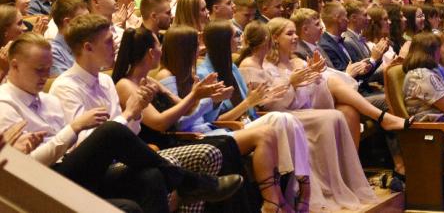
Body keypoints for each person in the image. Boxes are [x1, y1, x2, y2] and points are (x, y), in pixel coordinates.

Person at [0, 32, 243, 211]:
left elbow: (87, 146)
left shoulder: (50, 100)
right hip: (41, 181)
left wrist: (134, 113)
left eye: (48, 68)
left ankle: (187, 181)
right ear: (14, 65)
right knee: (110, 131)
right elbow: (24, 168)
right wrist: (74, 128)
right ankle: (189, 181)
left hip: (78, 168)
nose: (45, 76)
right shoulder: (5, 104)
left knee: (150, 177)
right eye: (39, 70)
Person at [238, 19, 379, 211]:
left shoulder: (294, 60)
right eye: (289, 33)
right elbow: (268, 103)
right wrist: (292, 83)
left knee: (337, 115)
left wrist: (314, 78)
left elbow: (306, 99)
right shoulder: (256, 65)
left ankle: (336, 183)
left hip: (295, 110)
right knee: (330, 117)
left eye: (295, 33)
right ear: (273, 38)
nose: (295, 37)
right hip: (278, 115)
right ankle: (318, 188)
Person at [156, 26, 291, 212]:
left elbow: (205, 116)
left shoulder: (190, 73)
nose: (199, 49)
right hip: (190, 138)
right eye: (195, 45)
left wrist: (214, 101)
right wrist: (207, 100)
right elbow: (179, 122)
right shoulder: (166, 76)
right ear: (184, 48)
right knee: (265, 134)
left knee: (273, 129)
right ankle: (272, 202)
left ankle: (278, 199)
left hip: (207, 130)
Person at [197, 20, 312, 212]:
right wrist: (249, 102)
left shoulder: (232, 68)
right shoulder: (204, 74)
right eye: (234, 36)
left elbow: (250, 109)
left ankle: (295, 190)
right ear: (223, 41)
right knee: (281, 118)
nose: (239, 39)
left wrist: (260, 100)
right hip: (226, 131)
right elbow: (214, 121)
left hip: (248, 123)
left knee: (287, 120)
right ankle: (290, 193)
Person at [50, 0, 89, 76]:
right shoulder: (53, 52)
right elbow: (67, 81)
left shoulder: (87, 44)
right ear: (67, 22)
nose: (90, 22)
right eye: (85, 19)